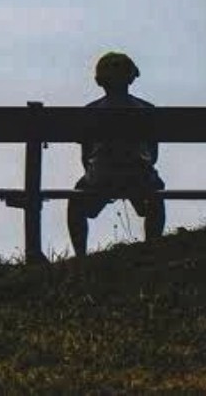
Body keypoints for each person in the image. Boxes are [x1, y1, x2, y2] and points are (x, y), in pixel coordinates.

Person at [68, 51, 166, 257]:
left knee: (76, 200)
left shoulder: (90, 111)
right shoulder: (147, 110)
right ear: (131, 78)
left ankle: (80, 256)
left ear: (99, 81)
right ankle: (153, 248)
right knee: (155, 195)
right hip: (140, 175)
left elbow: (86, 155)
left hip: (101, 175)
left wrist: (94, 174)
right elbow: (153, 154)